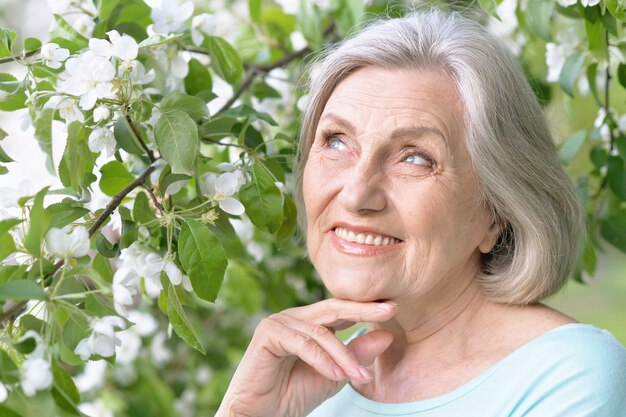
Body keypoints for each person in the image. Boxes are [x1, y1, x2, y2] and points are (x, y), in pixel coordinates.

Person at [216, 10, 626, 417]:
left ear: (497, 210)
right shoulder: (307, 390)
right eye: (337, 142)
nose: (358, 195)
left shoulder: (568, 375)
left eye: (415, 158)